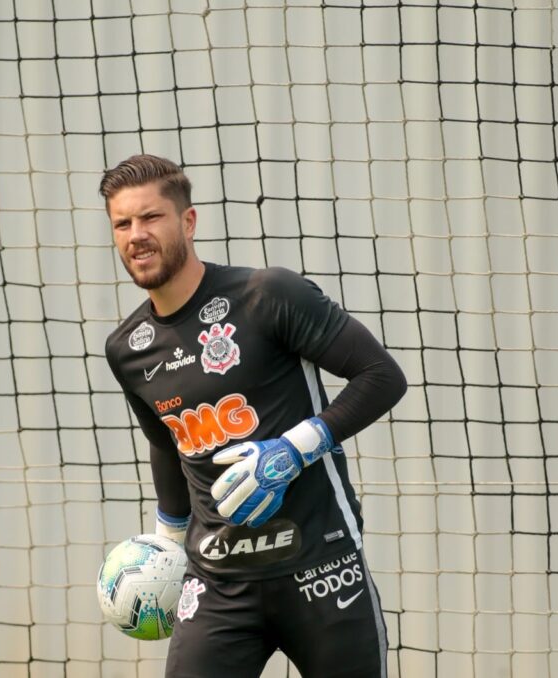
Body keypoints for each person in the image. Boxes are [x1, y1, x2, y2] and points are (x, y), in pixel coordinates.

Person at [101, 154, 407, 677]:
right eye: (122, 224)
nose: (137, 235)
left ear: (188, 221)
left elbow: (382, 376)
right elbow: (167, 444)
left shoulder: (267, 295)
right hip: (218, 584)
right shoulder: (128, 348)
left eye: (151, 217)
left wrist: (295, 449)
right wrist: (168, 543)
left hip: (322, 567)